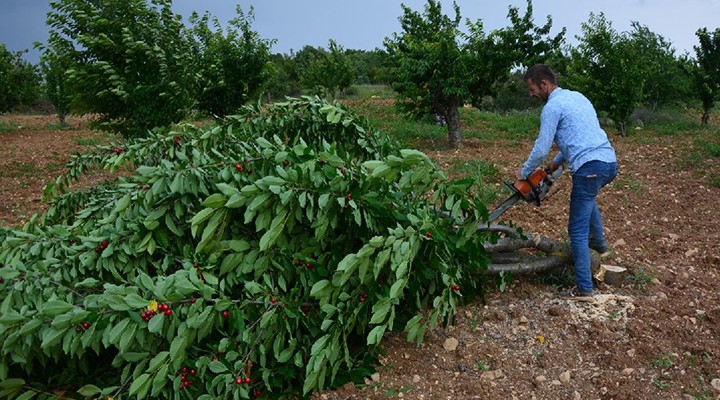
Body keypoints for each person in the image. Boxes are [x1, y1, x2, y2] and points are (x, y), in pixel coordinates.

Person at [517, 64, 617, 299]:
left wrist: (524, 173)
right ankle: (600, 246)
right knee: (587, 197)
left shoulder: (552, 107)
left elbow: (541, 147)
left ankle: (583, 288)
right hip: (608, 163)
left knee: (576, 231)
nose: (531, 94)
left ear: (544, 84)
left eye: (532, 89)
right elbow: (580, 136)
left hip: (589, 167)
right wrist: (556, 163)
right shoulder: (577, 97)